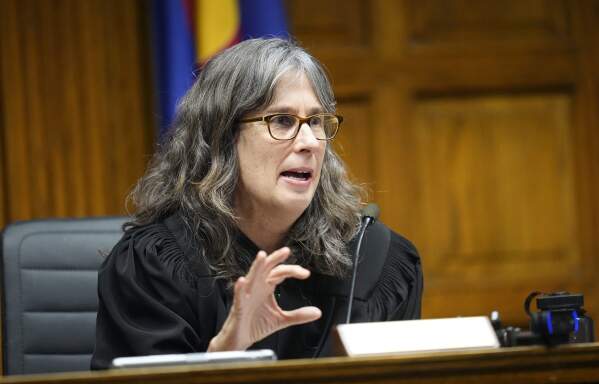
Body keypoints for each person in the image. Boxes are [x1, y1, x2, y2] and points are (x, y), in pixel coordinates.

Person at [91, 37, 423, 369]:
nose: (309, 142)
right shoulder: (156, 266)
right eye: (282, 121)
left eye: (317, 122)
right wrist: (227, 351)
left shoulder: (376, 259)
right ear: (221, 137)